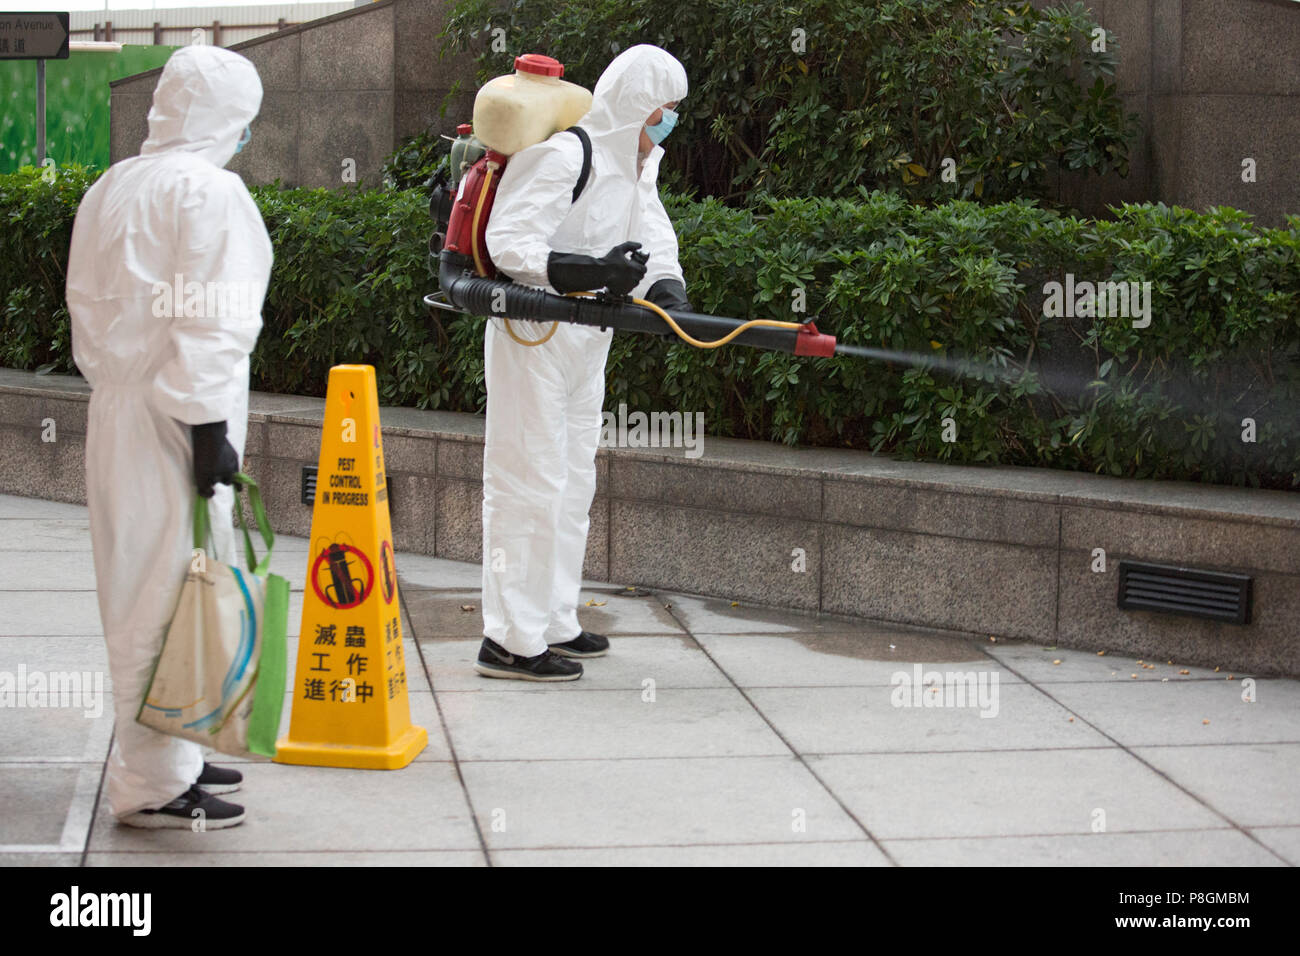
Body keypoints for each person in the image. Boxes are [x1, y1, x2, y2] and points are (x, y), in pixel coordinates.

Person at [66, 45, 272, 828]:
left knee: (140, 593)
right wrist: (209, 428)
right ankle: (153, 785)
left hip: (117, 410)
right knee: (174, 592)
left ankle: (173, 750)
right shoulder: (211, 193)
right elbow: (215, 321)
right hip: (175, 420)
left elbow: (89, 299)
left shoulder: (113, 186)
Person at [476, 44, 691, 681]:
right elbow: (508, 240)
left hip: (588, 341)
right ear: (635, 108)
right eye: (663, 112)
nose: (668, 125)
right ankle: (509, 640)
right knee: (528, 482)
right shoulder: (568, 153)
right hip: (534, 335)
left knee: (572, 483)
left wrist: (669, 294)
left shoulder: (635, 165)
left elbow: (654, 241)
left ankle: (554, 620)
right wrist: (588, 270)